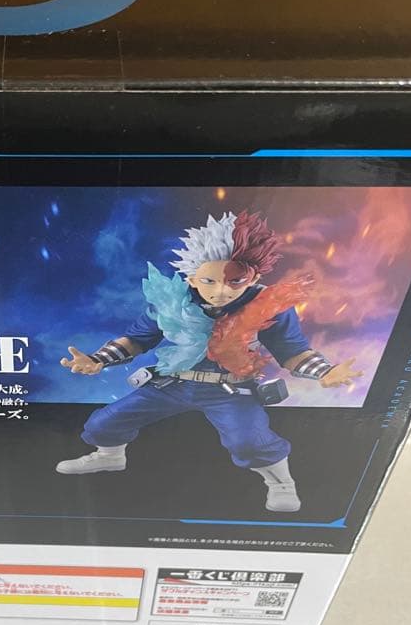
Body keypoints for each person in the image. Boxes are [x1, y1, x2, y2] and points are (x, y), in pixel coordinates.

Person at [56, 210, 361, 512]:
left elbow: (292, 351)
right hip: (172, 383)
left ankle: (282, 483)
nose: (221, 291)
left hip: (231, 389)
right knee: (104, 422)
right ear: (192, 277)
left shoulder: (269, 305)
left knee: (250, 442)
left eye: (235, 281)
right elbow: (138, 339)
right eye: (209, 281)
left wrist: (325, 372)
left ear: (254, 277)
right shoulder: (172, 300)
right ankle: (110, 456)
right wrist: (98, 359)